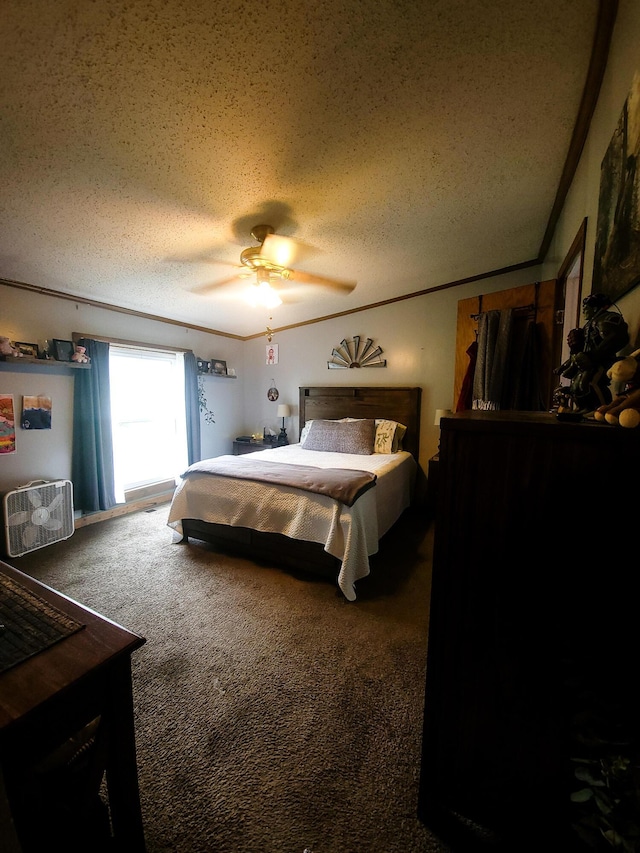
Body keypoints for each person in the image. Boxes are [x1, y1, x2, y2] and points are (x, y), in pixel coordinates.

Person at [554, 292, 629, 412]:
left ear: (595, 308)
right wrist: (565, 365)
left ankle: (601, 409)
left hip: (600, 360)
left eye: (586, 307)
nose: (583, 310)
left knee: (590, 383)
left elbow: (615, 339)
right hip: (587, 361)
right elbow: (582, 348)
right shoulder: (587, 326)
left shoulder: (608, 318)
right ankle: (584, 408)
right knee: (576, 385)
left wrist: (593, 356)